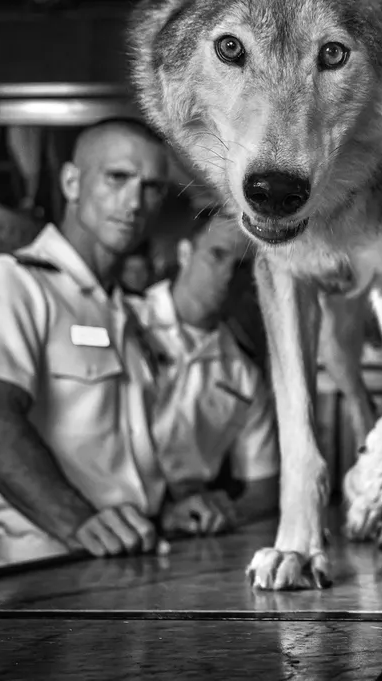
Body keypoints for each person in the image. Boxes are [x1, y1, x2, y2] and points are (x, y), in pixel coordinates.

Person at [0, 118, 175, 567]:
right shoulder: (10, 282)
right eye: (117, 178)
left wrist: (172, 507)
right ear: (72, 182)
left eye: (152, 188)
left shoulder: (126, 312)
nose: (134, 203)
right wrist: (77, 522)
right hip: (43, 562)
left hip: (130, 558)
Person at [127, 213, 278, 535]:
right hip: (109, 517)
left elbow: (264, 488)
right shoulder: (123, 321)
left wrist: (217, 513)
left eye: (240, 266)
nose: (226, 274)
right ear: (184, 253)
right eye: (217, 255)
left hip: (188, 533)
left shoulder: (243, 374)